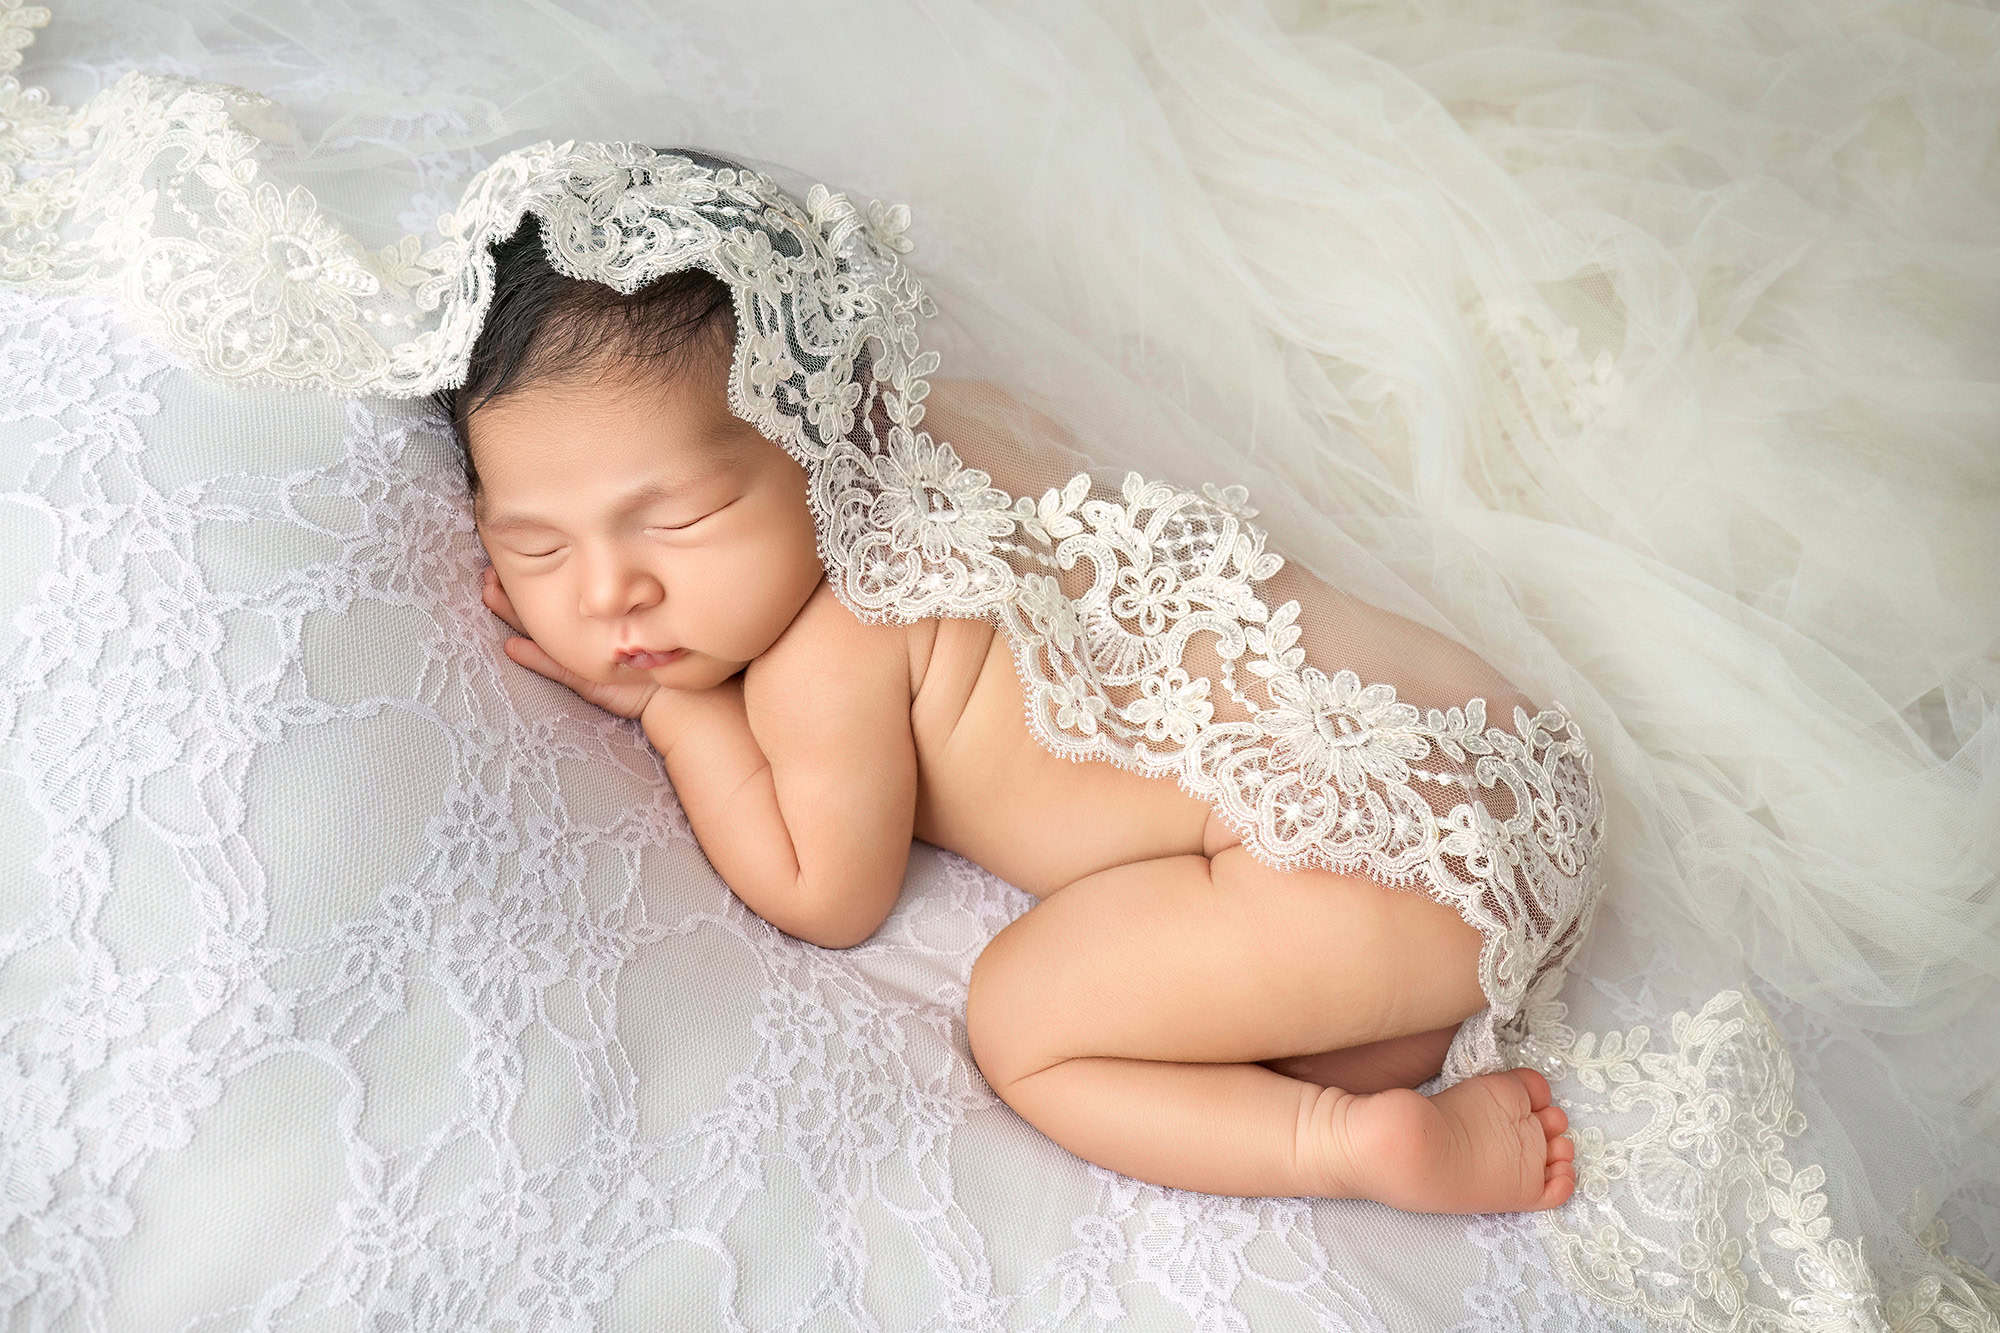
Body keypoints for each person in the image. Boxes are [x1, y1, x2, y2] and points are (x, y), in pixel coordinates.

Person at [434, 209, 1581, 1212]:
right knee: (1253, 983)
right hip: (1493, 760)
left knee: (1023, 1024)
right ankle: (1393, 1030)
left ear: (819, 432)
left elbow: (823, 894)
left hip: (1345, 869)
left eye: (678, 519)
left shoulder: (827, 653)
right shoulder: (971, 424)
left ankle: (1344, 1142)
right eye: (534, 546)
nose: (609, 592)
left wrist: (672, 716)